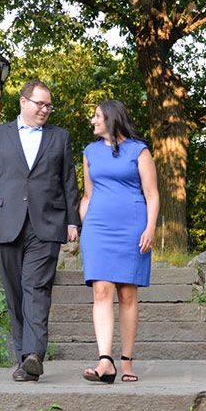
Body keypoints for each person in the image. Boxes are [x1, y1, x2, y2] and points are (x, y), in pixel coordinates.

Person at [0, 79, 81, 382]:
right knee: (14, 292)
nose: (45, 110)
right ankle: (24, 357)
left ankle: (35, 354)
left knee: (36, 288)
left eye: (49, 105)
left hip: (46, 224)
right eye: (40, 104)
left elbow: (68, 182)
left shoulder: (60, 138)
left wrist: (72, 221)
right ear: (23, 102)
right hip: (6, 223)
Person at [78, 99, 159, 383]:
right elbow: (87, 196)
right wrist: (81, 229)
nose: (92, 121)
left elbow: (152, 194)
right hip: (98, 229)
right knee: (101, 291)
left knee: (127, 293)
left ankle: (126, 361)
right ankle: (105, 361)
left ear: (111, 118)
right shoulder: (89, 152)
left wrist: (150, 228)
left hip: (132, 227)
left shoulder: (139, 150)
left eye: (97, 116)